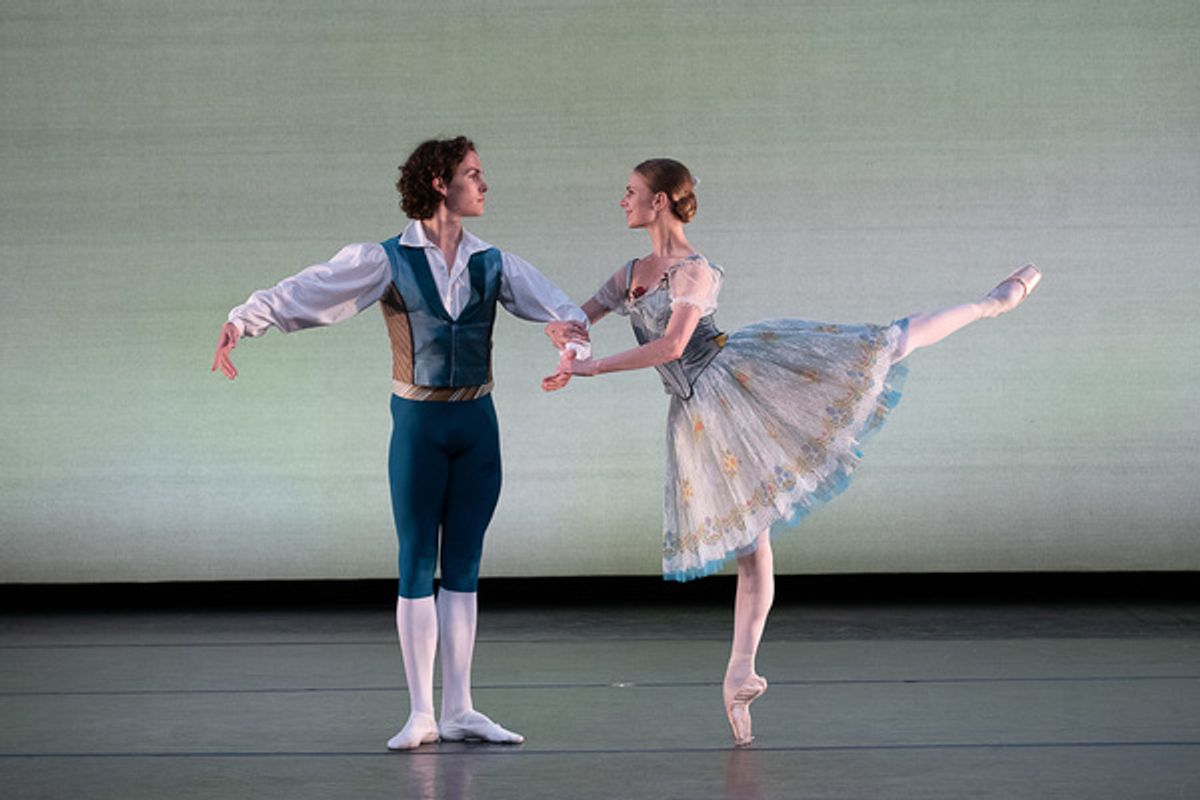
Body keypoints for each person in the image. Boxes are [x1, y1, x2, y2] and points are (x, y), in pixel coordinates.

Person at [542, 158, 1040, 746]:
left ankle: (991, 303)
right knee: (751, 547)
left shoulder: (693, 272)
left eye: (631, 192)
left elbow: (673, 344)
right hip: (698, 414)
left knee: (886, 343)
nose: (621, 199)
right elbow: (582, 314)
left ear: (660, 202)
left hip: (736, 381)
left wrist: (593, 365)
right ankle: (740, 671)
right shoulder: (631, 271)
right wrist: (570, 335)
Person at [212, 136, 589, 750]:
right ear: (440, 183)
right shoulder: (385, 259)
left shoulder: (495, 261)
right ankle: (421, 713)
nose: (484, 185)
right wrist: (242, 321)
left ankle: (461, 708)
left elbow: (563, 310)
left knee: (464, 566)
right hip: (419, 424)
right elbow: (310, 291)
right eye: (473, 174)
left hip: (478, 425)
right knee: (417, 560)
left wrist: (570, 349)